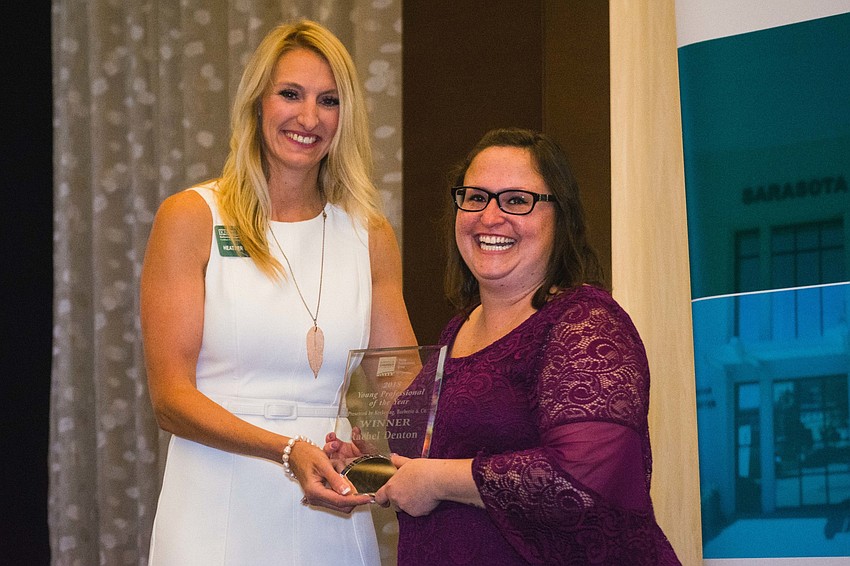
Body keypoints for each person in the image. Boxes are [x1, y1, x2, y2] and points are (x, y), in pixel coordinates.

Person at [333, 128, 680, 565]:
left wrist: (436, 479)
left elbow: (581, 479)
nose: (490, 216)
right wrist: (374, 467)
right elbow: (438, 467)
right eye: (476, 197)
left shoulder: (585, 322)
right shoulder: (457, 329)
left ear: (561, 217)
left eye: (517, 200)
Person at [140, 20, 416, 565]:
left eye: (329, 100)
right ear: (257, 103)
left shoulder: (370, 235)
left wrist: (374, 453)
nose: (308, 118)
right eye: (291, 94)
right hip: (215, 504)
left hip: (332, 504)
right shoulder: (192, 217)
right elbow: (170, 399)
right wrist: (287, 449)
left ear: (346, 116)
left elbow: (400, 385)